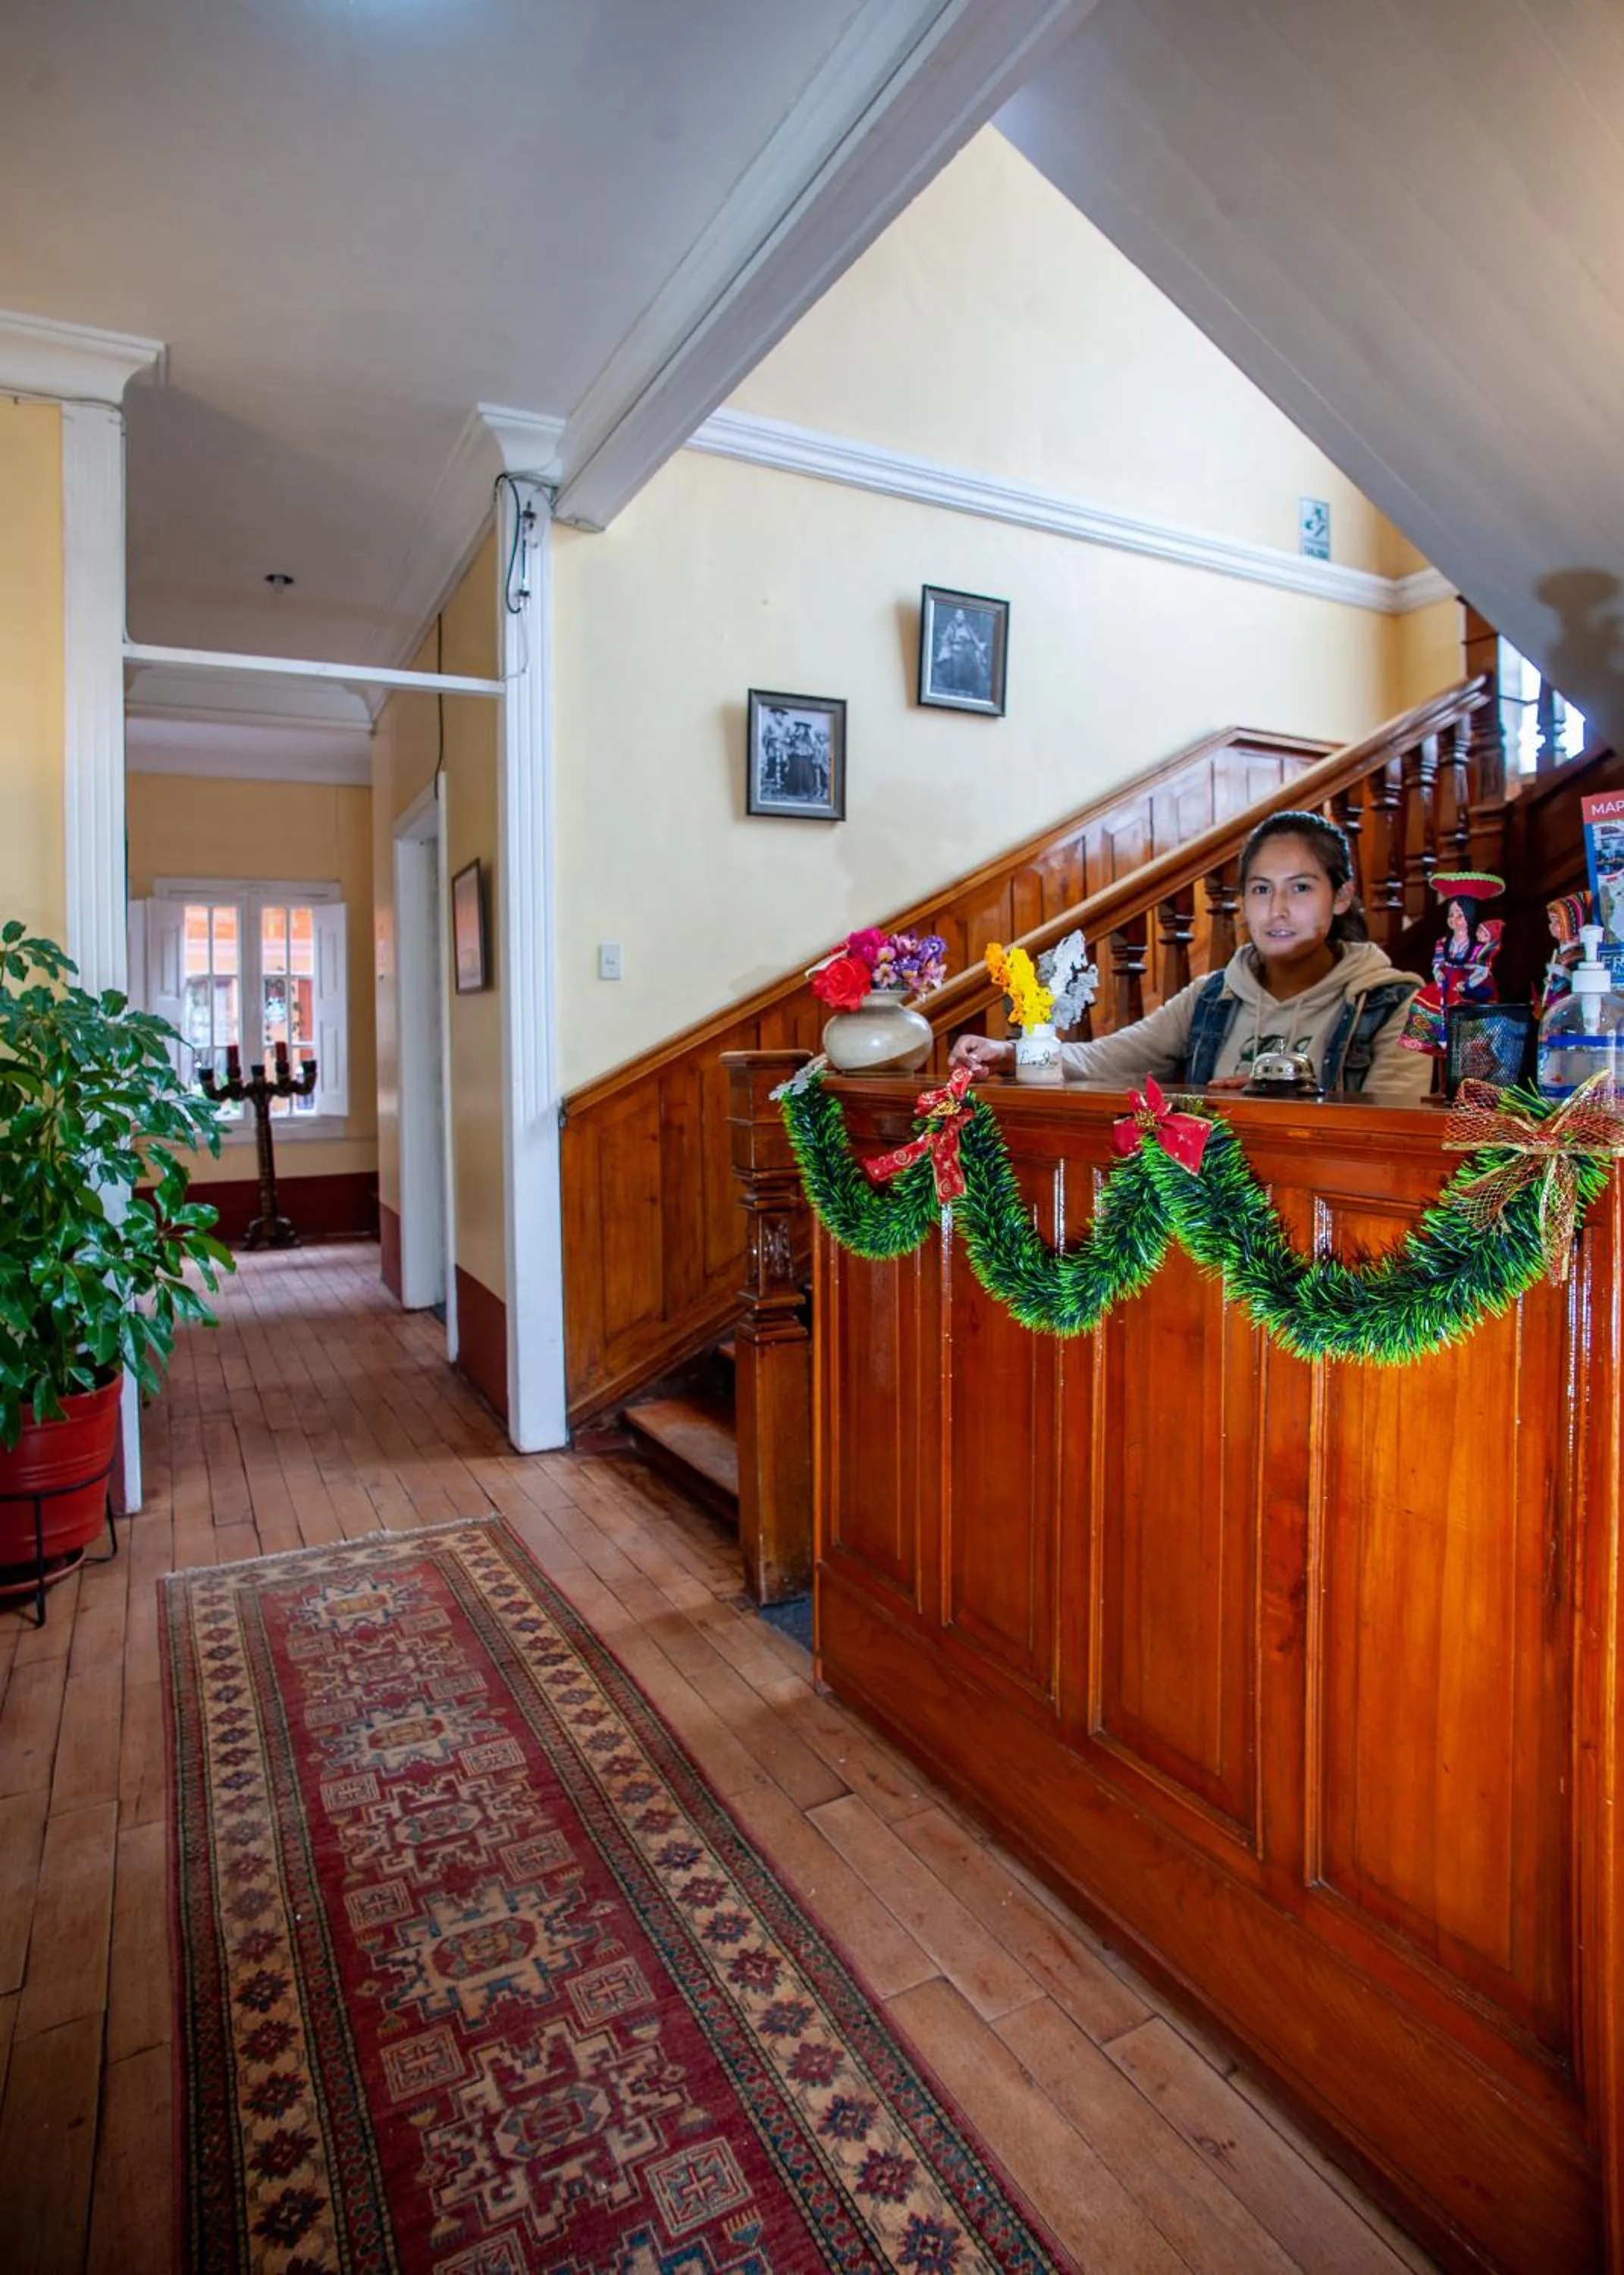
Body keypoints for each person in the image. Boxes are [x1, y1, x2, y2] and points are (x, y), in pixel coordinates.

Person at [949, 811, 1431, 1103]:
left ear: (1341, 897)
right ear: (1243, 899)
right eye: (1261, 889)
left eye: (1301, 888)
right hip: (1210, 1212)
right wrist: (1011, 1053)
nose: (1278, 910)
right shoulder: (1214, 996)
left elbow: (1397, 1119)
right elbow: (1108, 1059)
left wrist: (1283, 1103)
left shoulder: (1395, 1003)